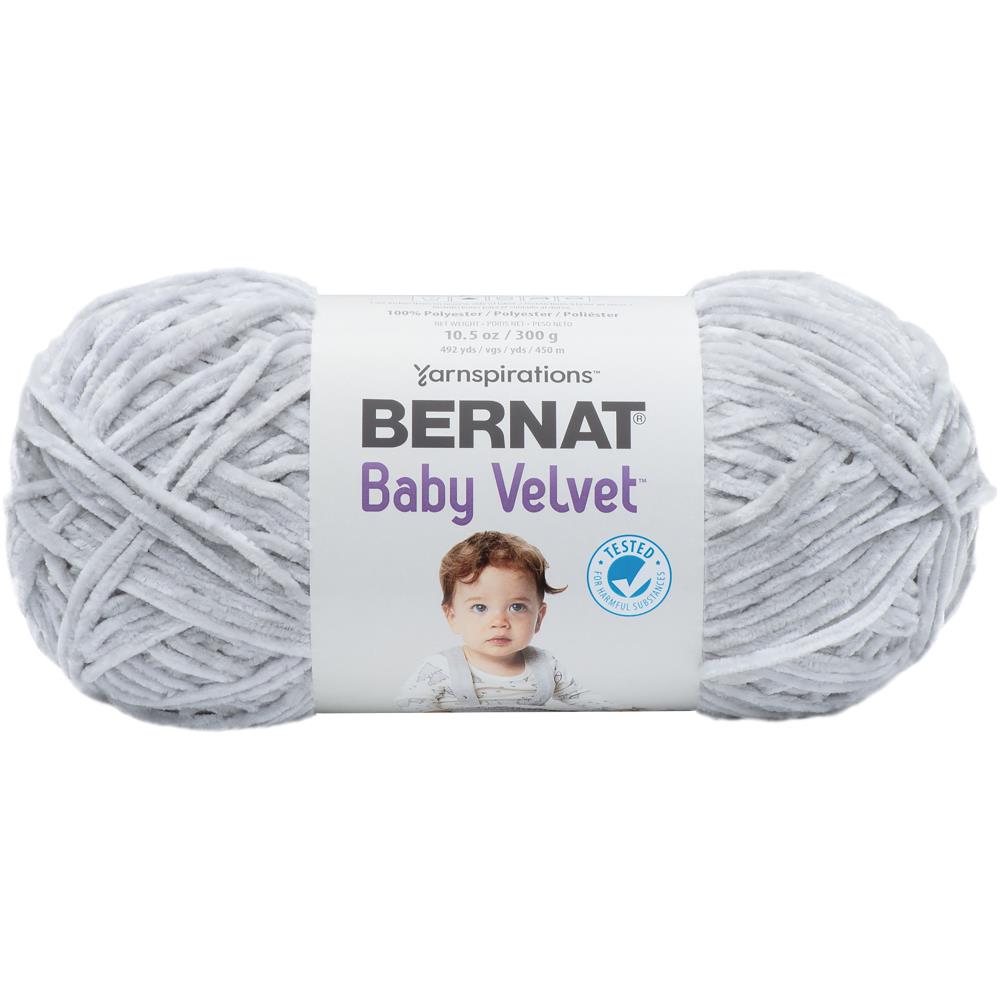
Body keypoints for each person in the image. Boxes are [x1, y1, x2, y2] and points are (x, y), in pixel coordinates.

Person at [396, 530, 609, 711]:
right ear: (453, 617)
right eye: (480, 607)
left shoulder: (546, 665)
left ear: (539, 617)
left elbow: (585, 699)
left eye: (517, 607)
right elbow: (406, 709)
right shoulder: (440, 669)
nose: (499, 622)